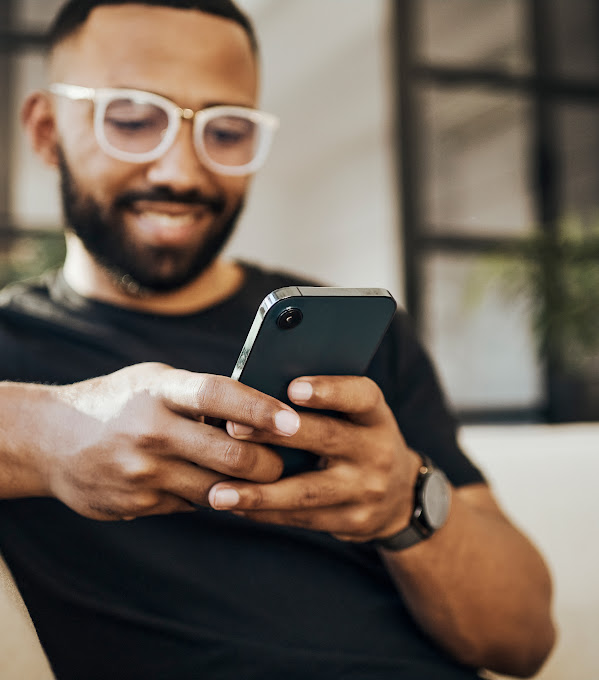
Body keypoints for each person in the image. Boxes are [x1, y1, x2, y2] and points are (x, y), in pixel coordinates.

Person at [0, 1, 555, 678]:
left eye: (225, 130)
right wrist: (46, 435)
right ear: (46, 130)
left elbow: (524, 641)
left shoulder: (363, 337)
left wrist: (401, 504)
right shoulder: (14, 350)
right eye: (132, 120)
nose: (179, 171)